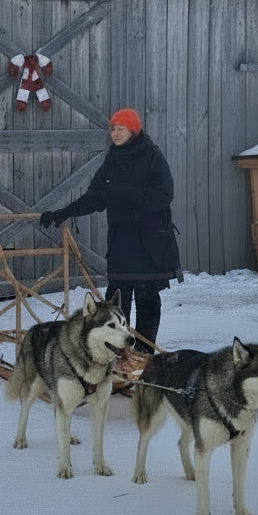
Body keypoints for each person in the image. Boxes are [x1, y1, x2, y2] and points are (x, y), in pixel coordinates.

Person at [39, 108, 181, 347]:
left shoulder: (152, 156)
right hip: (122, 242)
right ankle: (118, 352)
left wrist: (129, 195)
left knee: (147, 298)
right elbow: (95, 197)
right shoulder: (112, 160)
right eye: (112, 129)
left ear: (133, 130)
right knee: (116, 301)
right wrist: (64, 212)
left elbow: (164, 195)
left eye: (121, 129)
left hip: (149, 242)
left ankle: (145, 354)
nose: (115, 133)